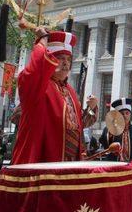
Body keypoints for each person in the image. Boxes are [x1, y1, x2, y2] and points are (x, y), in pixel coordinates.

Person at [11, 29, 98, 164]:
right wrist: (42, 42)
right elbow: (34, 71)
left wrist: (91, 108)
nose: (66, 63)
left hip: (70, 163)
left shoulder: (70, 91)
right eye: (60, 58)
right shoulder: (40, 85)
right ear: (48, 60)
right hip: (43, 159)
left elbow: (79, 125)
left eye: (68, 59)